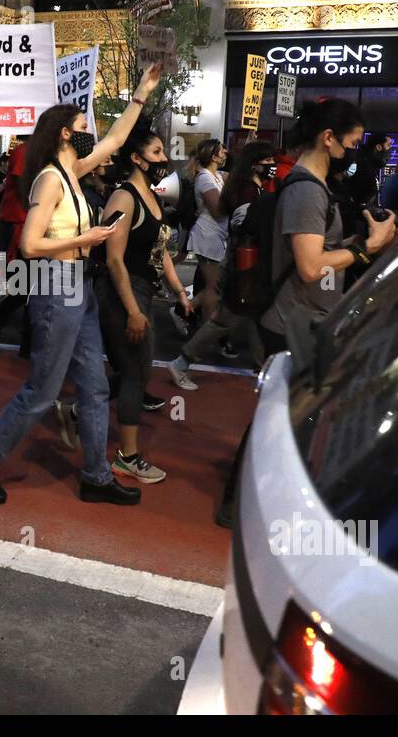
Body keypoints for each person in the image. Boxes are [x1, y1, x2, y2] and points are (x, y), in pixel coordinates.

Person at [0, 63, 162, 507]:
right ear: (66, 134)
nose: (91, 132)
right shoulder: (51, 178)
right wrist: (84, 239)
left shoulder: (73, 171)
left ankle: (95, 475)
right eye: (83, 126)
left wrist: (141, 95)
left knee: (93, 386)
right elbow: (30, 245)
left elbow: (114, 139)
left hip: (80, 288)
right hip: (56, 285)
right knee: (42, 391)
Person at [259, 99, 398, 369]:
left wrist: (368, 240)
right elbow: (310, 267)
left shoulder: (318, 185)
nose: (354, 152)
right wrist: (365, 248)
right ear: (328, 137)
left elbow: (324, 247)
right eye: (352, 144)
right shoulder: (307, 191)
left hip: (305, 322)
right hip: (292, 327)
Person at [96, 126, 189, 484]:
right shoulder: (124, 197)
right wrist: (133, 310)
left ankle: (75, 409)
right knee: (136, 373)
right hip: (124, 294)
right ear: (135, 158)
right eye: (155, 152)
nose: (164, 158)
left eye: (163, 151)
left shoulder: (152, 195)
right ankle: (126, 458)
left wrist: (180, 290)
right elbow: (115, 260)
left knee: (137, 371)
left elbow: (160, 249)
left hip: (144, 293)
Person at [168, 142, 274, 389]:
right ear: (254, 165)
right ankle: (182, 355)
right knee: (222, 308)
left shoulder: (246, 186)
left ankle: (262, 371)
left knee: (250, 314)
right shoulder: (244, 190)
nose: (271, 165)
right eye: (267, 161)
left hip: (239, 258)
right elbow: (240, 224)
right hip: (237, 259)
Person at [0, 138, 33, 358]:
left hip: (33, 225)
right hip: (18, 225)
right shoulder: (25, 151)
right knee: (23, 284)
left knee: (33, 288)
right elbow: (22, 187)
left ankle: (28, 342)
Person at [178, 139, 230, 335]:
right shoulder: (205, 178)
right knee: (213, 289)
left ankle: (182, 311)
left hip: (214, 236)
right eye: (222, 151)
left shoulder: (215, 176)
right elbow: (218, 211)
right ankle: (206, 332)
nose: (225, 153)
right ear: (214, 156)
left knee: (216, 286)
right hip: (207, 236)